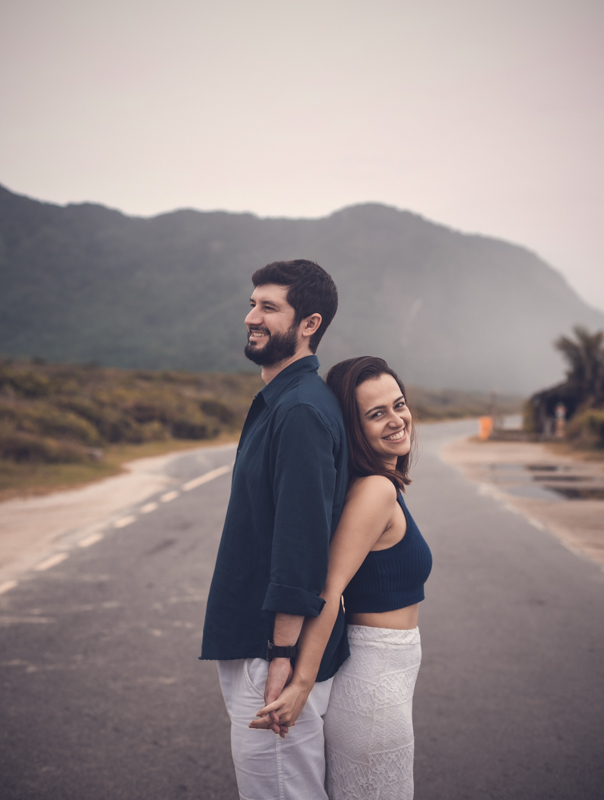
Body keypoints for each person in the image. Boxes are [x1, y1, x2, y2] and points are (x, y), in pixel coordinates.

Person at [200, 260, 349, 800]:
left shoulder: (301, 411)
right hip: (262, 643)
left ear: (308, 324)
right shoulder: (283, 401)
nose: (251, 317)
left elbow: (300, 545)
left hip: (272, 650)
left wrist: (282, 655)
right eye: (252, 303)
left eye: (268, 307)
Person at [251, 356, 433, 800]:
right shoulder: (376, 490)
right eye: (377, 414)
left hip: (386, 680)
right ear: (355, 429)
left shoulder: (381, 483)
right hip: (372, 686)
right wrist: (300, 684)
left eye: (399, 404)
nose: (396, 420)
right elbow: (328, 590)